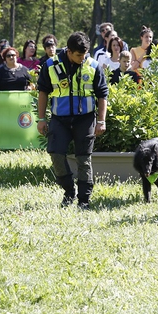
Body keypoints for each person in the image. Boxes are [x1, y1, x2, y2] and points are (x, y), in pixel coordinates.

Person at [36, 32, 108, 209]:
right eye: (78, 55)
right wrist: (41, 118)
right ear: (69, 51)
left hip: (85, 119)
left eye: (85, 54)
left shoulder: (93, 65)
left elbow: (102, 95)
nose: (82, 58)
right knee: (56, 154)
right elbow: (43, 92)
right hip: (59, 119)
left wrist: (101, 121)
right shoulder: (51, 65)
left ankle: (84, 200)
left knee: (84, 160)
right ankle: (69, 191)